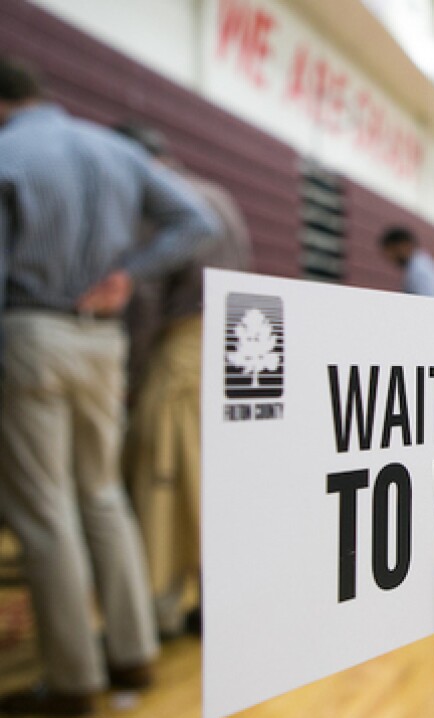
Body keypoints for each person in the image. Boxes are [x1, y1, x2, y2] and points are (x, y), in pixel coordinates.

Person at [0, 57, 217, 717]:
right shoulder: (116, 151)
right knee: (102, 494)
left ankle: (74, 679)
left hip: (33, 332)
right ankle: (134, 652)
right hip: (104, 341)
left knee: (45, 511)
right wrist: (132, 272)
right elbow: (197, 222)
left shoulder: (8, 153)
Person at [115, 122, 253, 638]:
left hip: (179, 348)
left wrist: (131, 371)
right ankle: (218, 596)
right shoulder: (220, 196)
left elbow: (147, 297)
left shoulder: (158, 205)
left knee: (163, 476)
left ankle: (161, 606)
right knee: (214, 480)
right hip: (231, 349)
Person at [380, 225, 434, 298]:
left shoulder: (418, 269)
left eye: (392, 250)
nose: (390, 257)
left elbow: (427, 303)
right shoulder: (421, 263)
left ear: (405, 245)